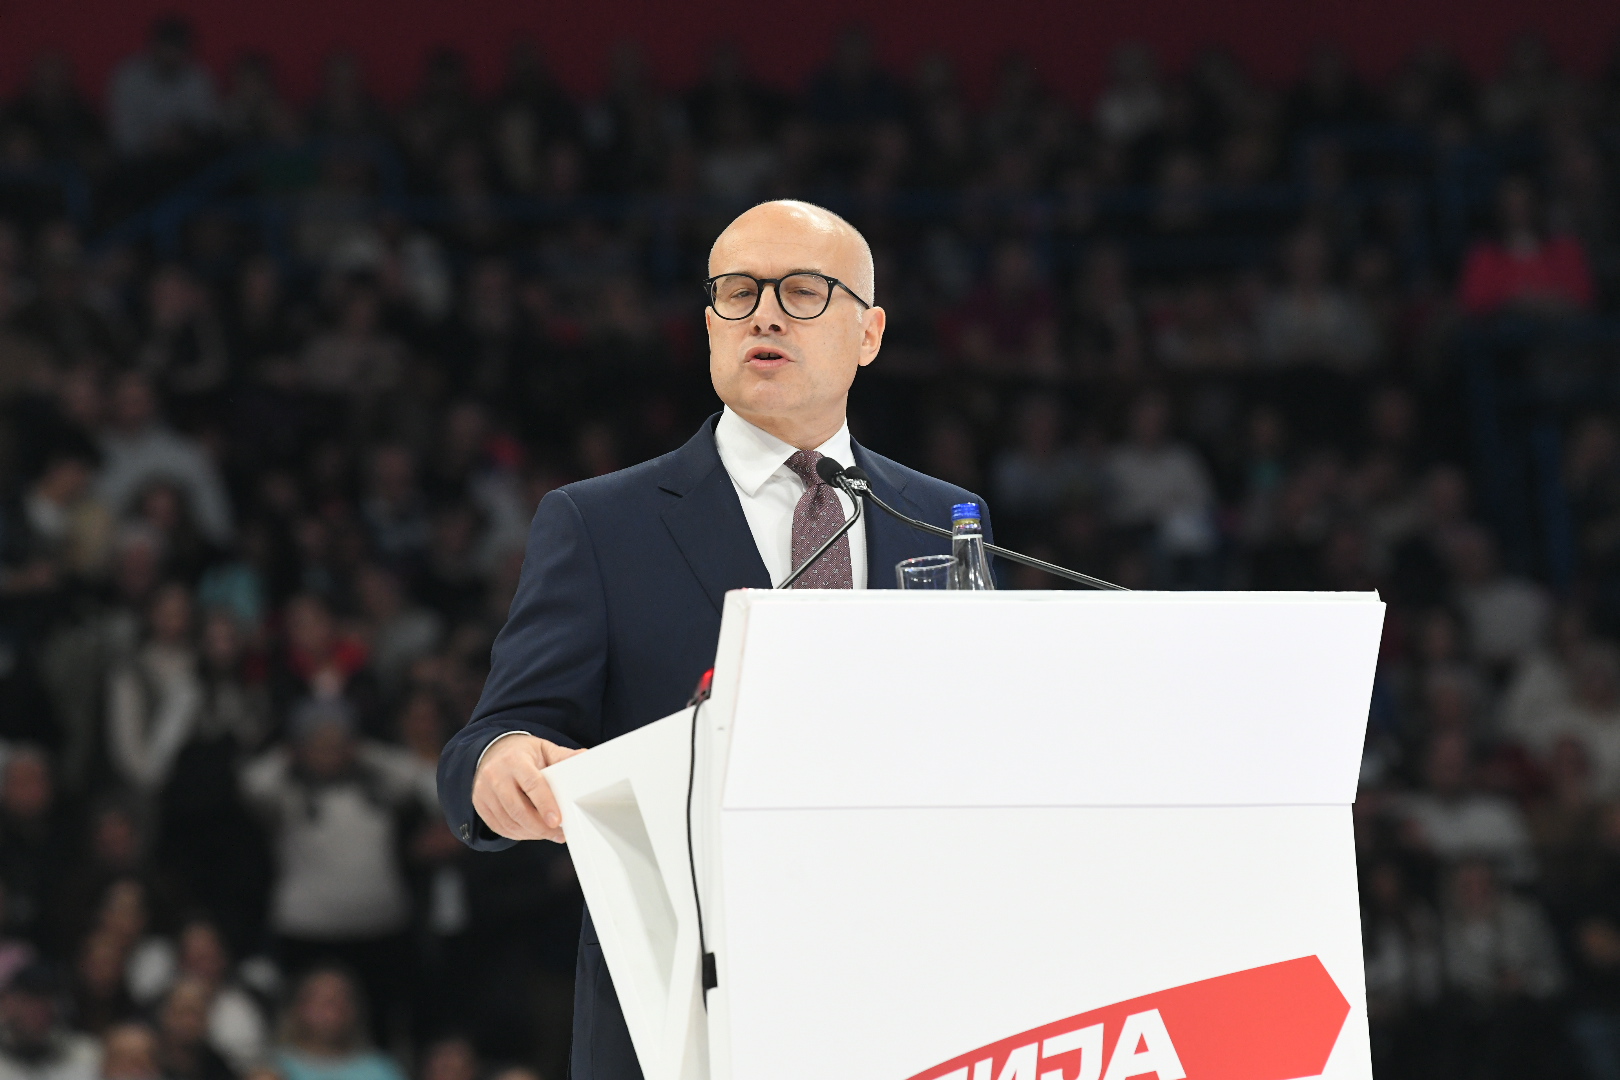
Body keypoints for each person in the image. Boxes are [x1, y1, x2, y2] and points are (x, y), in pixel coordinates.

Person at [437, 199, 993, 1079]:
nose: (763, 313)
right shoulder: (599, 523)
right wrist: (502, 761)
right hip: (684, 1012)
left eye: (803, 291)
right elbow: (490, 738)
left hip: (902, 990)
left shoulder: (940, 518)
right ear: (709, 326)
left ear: (870, 333)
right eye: (737, 292)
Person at [272, 969, 402, 1080]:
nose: (334, 1009)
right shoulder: (272, 1067)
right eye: (323, 1000)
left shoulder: (381, 1069)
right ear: (298, 1007)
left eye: (342, 999)